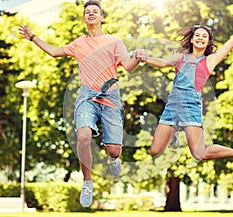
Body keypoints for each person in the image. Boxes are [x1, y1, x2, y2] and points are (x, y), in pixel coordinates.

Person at [18, 0, 146, 207]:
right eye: (88, 12)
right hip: (87, 95)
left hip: (111, 96)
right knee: (83, 135)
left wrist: (138, 58)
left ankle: (114, 158)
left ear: (102, 17)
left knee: (114, 150)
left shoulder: (114, 41)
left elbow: (129, 67)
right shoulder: (78, 43)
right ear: (84, 18)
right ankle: (87, 182)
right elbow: (53, 51)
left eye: (95, 11)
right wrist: (32, 37)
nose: (91, 14)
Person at [142, 19, 233, 166]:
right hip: (172, 107)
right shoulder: (181, 57)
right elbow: (163, 62)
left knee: (199, 154)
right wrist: (145, 59)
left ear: (208, 42)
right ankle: (174, 131)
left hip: (191, 106)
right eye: (197, 35)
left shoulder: (210, 60)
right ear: (191, 39)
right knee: (155, 150)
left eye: (204, 36)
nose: (200, 38)